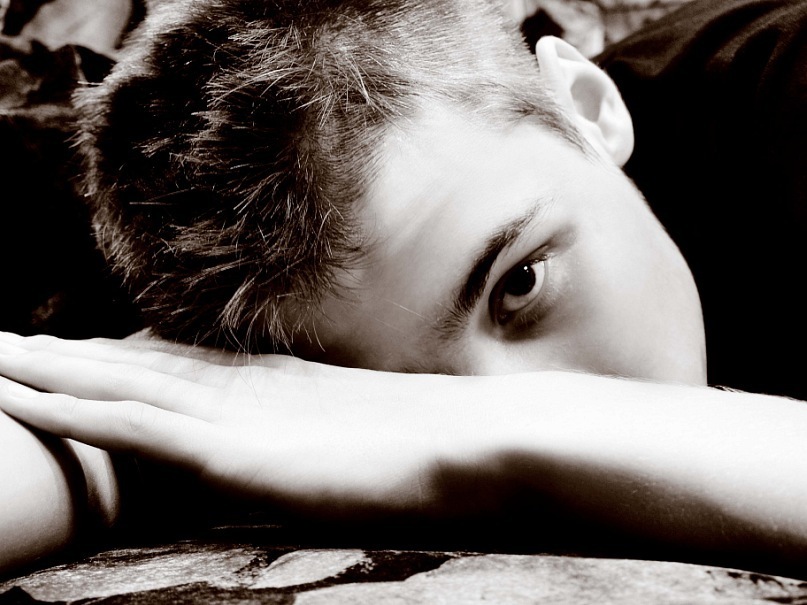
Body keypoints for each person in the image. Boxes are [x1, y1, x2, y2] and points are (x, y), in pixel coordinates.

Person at [0, 0, 806, 579]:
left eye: (519, 284)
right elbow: (99, 427)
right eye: (387, 392)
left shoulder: (783, 86)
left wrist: (485, 427)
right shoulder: (233, 298)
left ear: (586, 109)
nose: (506, 406)